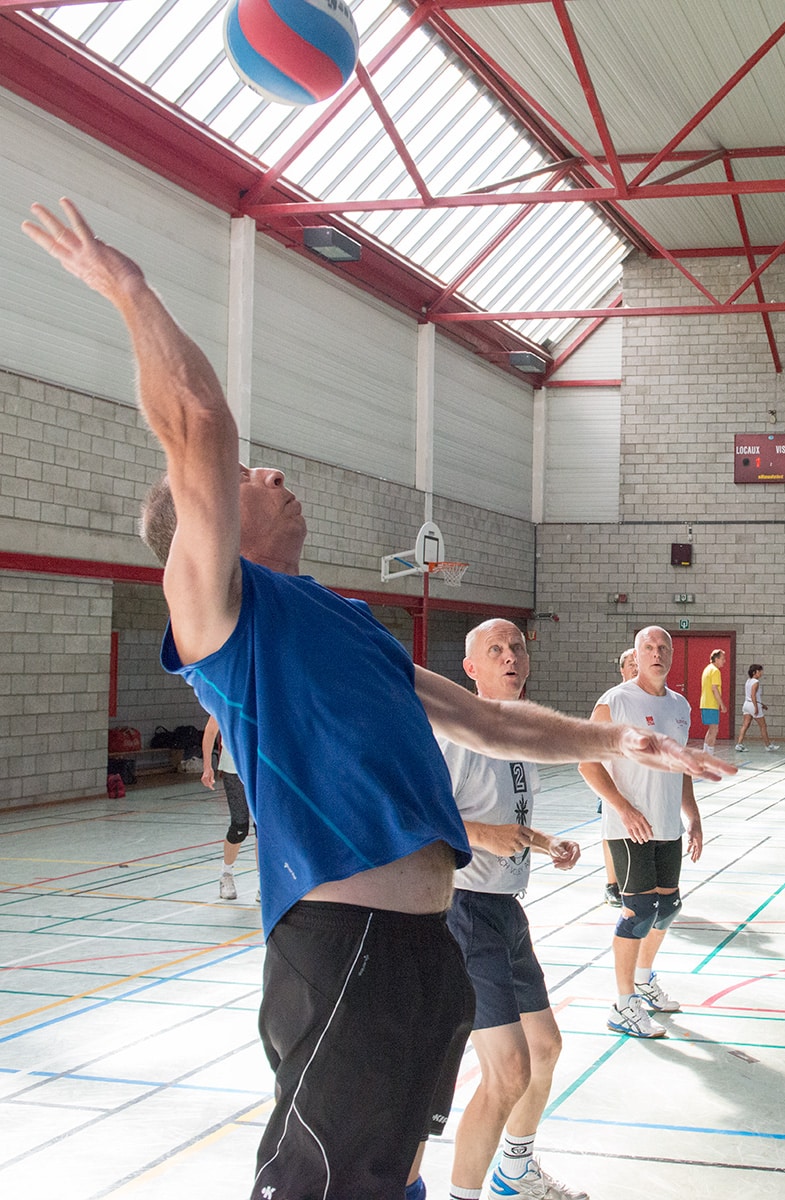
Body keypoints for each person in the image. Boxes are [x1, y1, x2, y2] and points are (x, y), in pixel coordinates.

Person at [22, 199, 734, 1199]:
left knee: (391, 1175)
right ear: (207, 520)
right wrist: (132, 294)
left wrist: (619, 740)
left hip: (422, 945)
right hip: (344, 941)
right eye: (248, 478)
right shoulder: (225, 617)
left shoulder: (347, 620)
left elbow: (488, 720)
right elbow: (200, 425)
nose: (269, 472)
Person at [437, 619, 588, 1200]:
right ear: (471, 669)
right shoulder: (457, 734)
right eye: (494, 650)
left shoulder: (516, 735)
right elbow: (427, 818)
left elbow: (503, 820)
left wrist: (545, 842)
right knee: (508, 1072)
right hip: (465, 911)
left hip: (506, 911)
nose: (510, 657)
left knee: (545, 1048)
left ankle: (515, 1170)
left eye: (517, 648)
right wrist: (485, 836)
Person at [579, 626, 703, 1039]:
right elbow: (587, 763)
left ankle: (645, 980)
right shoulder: (616, 701)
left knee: (667, 909)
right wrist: (623, 808)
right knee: (638, 914)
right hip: (629, 828)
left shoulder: (681, 705)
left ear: (671, 655)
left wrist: (694, 817)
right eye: (648, 647)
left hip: (667, 826)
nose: (656, 653)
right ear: (636, 654)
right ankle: (622, 1003)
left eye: (663, 647)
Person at [201, 714, 259, 901]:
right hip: (234, 768)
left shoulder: (264, 698)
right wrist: (207, 766)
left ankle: (263, 882)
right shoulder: (227, 698)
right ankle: (226, 874)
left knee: (263, 829)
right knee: (240, 826)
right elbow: (210, 731)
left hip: (260, 767)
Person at [600, 648, 638, 907]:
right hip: (613, 776)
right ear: (622, 670)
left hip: (641, 779)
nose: (636, 667)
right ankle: (612, 884)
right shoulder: (612, 700)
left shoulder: (649, 699)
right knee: (611, 828)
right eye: (631, 664)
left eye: (639, 663)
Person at [735, 665, 779, 752]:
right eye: (760, 671)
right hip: (753, 704)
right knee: (763, 726)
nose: (761, 673)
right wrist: (756, 707)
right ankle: (768, 745)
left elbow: (751, 696)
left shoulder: (748, 681)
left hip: (746, 704)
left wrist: (762, 704)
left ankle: (739, 744)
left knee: (745, 725)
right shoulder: (756, 682)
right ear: (755, 672)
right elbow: (753, 695)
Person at [700, 648, 727, 752]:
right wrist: (722, 704)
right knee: (714, 730)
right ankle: (709, 756)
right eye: (722, 659)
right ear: (716, 659)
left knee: (711, 730)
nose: (724, 661)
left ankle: (705, 754)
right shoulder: (715, 671)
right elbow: (714, 688)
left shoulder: (707, 669)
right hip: (711, 704)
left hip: (705, 703)